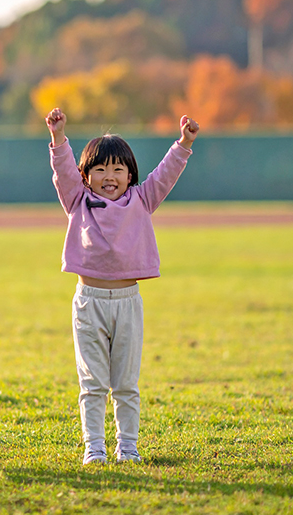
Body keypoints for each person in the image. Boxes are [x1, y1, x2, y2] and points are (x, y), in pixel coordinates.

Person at [45, 108, 200, 465]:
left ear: (130, 175)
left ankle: (127, 447)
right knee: (93, 383)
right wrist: (58, 138)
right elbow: (63, 172)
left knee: (126, 384)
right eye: (99, 169)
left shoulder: (142, 200)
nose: (109, 176)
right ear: (86, 177)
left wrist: (184, 143)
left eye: (117, 169)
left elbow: (165, 176)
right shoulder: (77, 201)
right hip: (90, 302)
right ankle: (94, 448)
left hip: (128, 302)